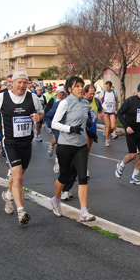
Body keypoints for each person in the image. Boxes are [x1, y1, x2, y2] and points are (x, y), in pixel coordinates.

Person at [0, 71, 44, 226]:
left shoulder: (32, 97)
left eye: (24, 82)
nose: (21, 85)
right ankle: (21, 212)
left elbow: (40, 112)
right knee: (18, 176)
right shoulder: (2, 97)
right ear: (11, 83)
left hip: (26, 142)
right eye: (19, 82)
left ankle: (8, 194)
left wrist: (39, 117)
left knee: (18, 173)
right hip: (10, 142)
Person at [49, 76, 96, 222]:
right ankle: (56, 201)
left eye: (82, 85)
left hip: (81, 145)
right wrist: (70, 128)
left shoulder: (85, 103)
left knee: (82, 177)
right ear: (70, 89)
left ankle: (83, 212)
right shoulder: (65, 103)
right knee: (64, 176)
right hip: (65, 144)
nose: (81, 88)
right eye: (77, 86)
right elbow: (54, 123)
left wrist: (89, 128)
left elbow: (84, 121)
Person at [115, 82, 140, 185]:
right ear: (138, 92)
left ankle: (134, 176)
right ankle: (121, 164)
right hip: (131, 132)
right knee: (132, 154)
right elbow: (119, 113)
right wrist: (126, 127)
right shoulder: (130, 101)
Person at [101, 81, 119, 146]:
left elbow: (117, 101)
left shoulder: (114, 92)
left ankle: (107, 132)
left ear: (111, 86)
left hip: (112, 111)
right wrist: (101, 110)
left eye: (108, 87)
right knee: (108, 125)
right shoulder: (103, 92)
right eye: (106, 87)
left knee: (113, 126)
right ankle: (107, 140)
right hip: (105, 111)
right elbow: (99, 100)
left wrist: (117, 109)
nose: (107, 88)